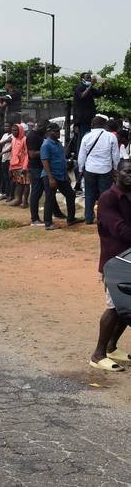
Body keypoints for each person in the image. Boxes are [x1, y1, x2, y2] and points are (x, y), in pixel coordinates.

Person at [89, 158, 131, 372]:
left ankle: (112, 347)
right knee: (115, 308)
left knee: (128, 308)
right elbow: (120, 229)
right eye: (127, 172)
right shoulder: (108, 199)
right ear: (117, 174)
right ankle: (98, 354)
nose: (130, 175)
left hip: (129, 260)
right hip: (115, 263)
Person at [79, 115, 120, 225]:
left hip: (90, 169)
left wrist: (80, 168)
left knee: (89, 194)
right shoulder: (111, 137)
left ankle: (88, 217)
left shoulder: (86, 137)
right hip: (105, 169)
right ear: (104, 125)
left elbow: (81, 155)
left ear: (92, 125)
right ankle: (104, 218)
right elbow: (115, 155)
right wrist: (115, 168)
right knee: (105, 194)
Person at [40, 123, 80, 230]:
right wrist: (50, 178)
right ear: (50, 132)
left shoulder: (58, 143)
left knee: (71, 194)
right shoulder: (46, 145)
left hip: (61, 175)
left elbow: (61, 160)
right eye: (56, 131)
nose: (58, 133)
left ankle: (71, 219)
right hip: (51, 176)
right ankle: (48, 223)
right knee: (50, 198)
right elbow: (45, 161)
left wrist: (66, 174)